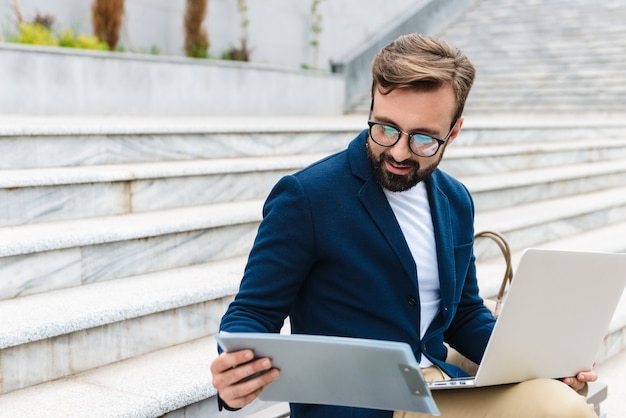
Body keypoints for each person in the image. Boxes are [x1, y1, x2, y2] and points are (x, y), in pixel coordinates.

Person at [210, 33, 598, 417]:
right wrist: (235, 375)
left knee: (563, 404)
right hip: (360, 404)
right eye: (385, 128)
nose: (397, 151)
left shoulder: (455, 200)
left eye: (424, 138)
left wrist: (544, 364)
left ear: (454, 132)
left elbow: (464, 315)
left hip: (440, 388)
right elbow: (253, 312)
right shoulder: (307, 197)